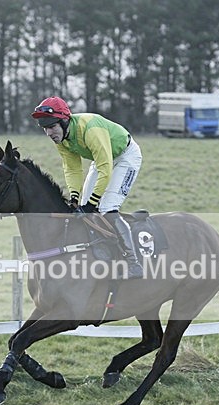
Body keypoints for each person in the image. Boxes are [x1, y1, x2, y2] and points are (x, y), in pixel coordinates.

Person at [31, 96, 143, 279]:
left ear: (64, 121)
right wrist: (75, 197)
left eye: (52, 126)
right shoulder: (61, 139)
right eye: (45, 128)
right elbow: (72, 169)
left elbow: (105, 168)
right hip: (101, 160)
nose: (49, 133)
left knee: (106, 208)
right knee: (82, 208)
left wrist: (92, 203)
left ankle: (133, 263)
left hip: (125, 157)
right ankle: (99, 250)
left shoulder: (90, 129)